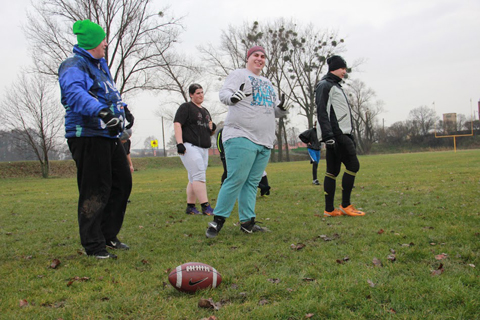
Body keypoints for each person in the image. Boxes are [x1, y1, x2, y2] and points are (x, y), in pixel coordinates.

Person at [58, 19, 134, 259]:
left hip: (108, 135)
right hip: (88, 135)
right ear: (92, 41)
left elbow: (107, 93)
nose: (106, 44)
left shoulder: (100, 65)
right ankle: (93, 245)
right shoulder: (74, 65)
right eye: (103, 40)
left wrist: (122, 109)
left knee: (122, 182)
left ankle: (107, 234)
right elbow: (74, 94)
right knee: (95, 189)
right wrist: (101, 112)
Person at [206, 45, 288, 238]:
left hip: (264, 140)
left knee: (252, 182)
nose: (259, 59)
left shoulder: (267, 82)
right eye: (255, 56)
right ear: (248, 58)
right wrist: (233, 98)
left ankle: (247, 222)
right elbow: (224, 94)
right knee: (236, 178)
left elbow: (275, 111)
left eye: (262, 56)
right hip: (241, 134)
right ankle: (217, 221)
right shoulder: (239, 74)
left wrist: (283, 108)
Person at [315, 55, 365, 217]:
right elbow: (322, 111)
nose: (345, 71)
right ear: (333, 68)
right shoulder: (326, 85)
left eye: (345, 68)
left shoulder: (335, 86)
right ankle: (345, 205)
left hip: (339, 134)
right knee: (353, 166)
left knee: (332, 171)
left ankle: (329, 210)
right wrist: (328, 136)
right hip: (337, 135)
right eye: (342, 68)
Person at [174, 83, 216, 216]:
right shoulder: (186, 107)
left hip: (203, 148)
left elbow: (209, 132)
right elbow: (177, 124)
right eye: (197, 93)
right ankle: (206, 207)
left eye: (202, 92)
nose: (201, 95)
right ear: (191, 94)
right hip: (189, 146)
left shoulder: (205, 111)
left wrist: (212, 128)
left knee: (193, 177)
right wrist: (180, 143)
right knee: (199, 176)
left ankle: (191, 207)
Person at [217, 127, 271, 196]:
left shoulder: (242, 131)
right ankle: (223, 188)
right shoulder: (222, 131)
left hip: (240, 154)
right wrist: (222, 154)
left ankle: (264, 188)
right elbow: (219, 143)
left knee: (247, 172)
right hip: (226, 156)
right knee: (229, 172)